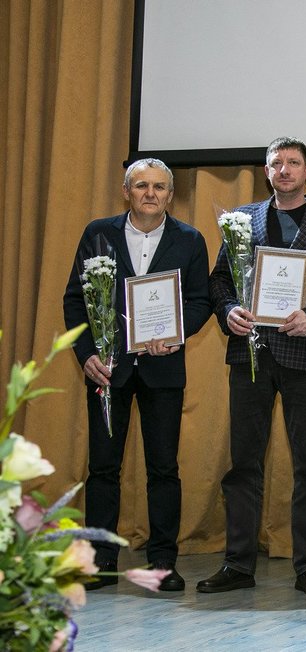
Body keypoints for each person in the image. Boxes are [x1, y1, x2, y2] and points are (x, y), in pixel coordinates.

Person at [197, 137, 306, 597]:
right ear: (266, 171)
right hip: (250, 354)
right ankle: (237, 564)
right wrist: (228, 310)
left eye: (293, 162)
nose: (284, 170)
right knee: (243, 464)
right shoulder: (241, 219)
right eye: (276, 163)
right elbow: (220, 280)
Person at [63, 158, 211, 591]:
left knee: (163, 469)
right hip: (107, 370)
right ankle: (100, 561)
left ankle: (162, 563)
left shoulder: (190, 239)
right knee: (103, 469)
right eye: (142, 185)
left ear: (170, 195)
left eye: (159, 187)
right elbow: (75, 299)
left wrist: (177, 335)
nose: (150, 193)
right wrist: (86, 355)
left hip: (163, 370)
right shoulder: (98, 233)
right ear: (126, 191)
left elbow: (201, 301)